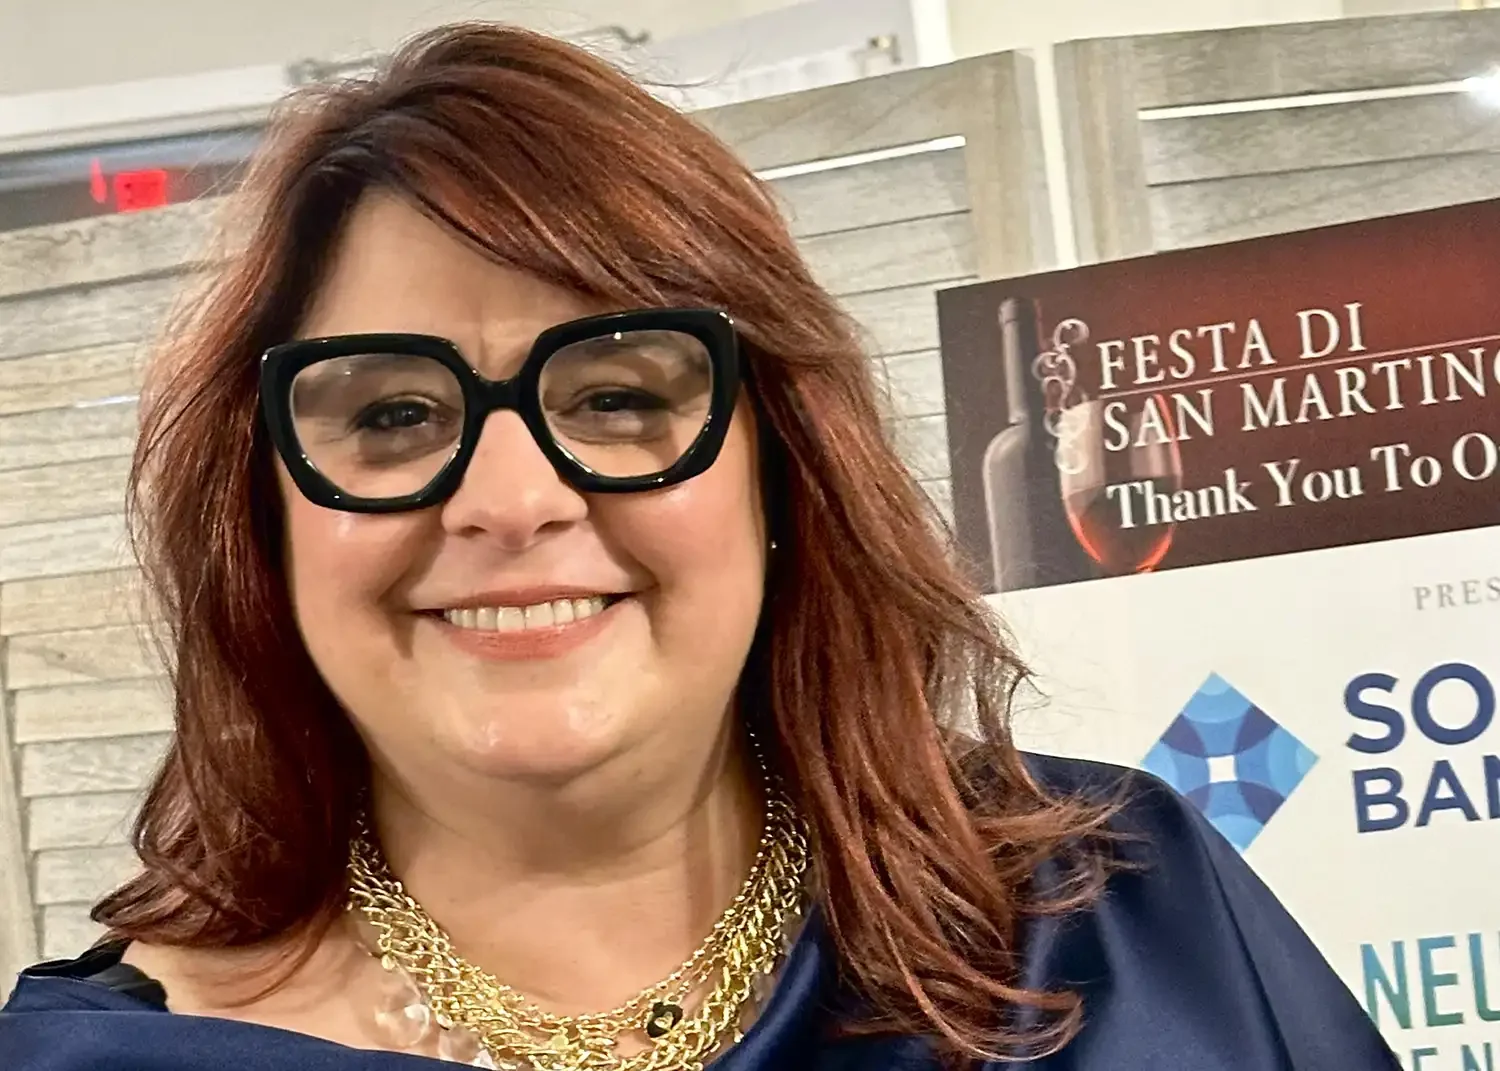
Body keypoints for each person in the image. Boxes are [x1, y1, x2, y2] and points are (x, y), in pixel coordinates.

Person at [1, 23, 1399, 1071]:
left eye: (617, 397)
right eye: (393, 415)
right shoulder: (105, 1056)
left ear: (781, 467)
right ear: (265, 519)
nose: (510, 500)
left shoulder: (1127, 921)